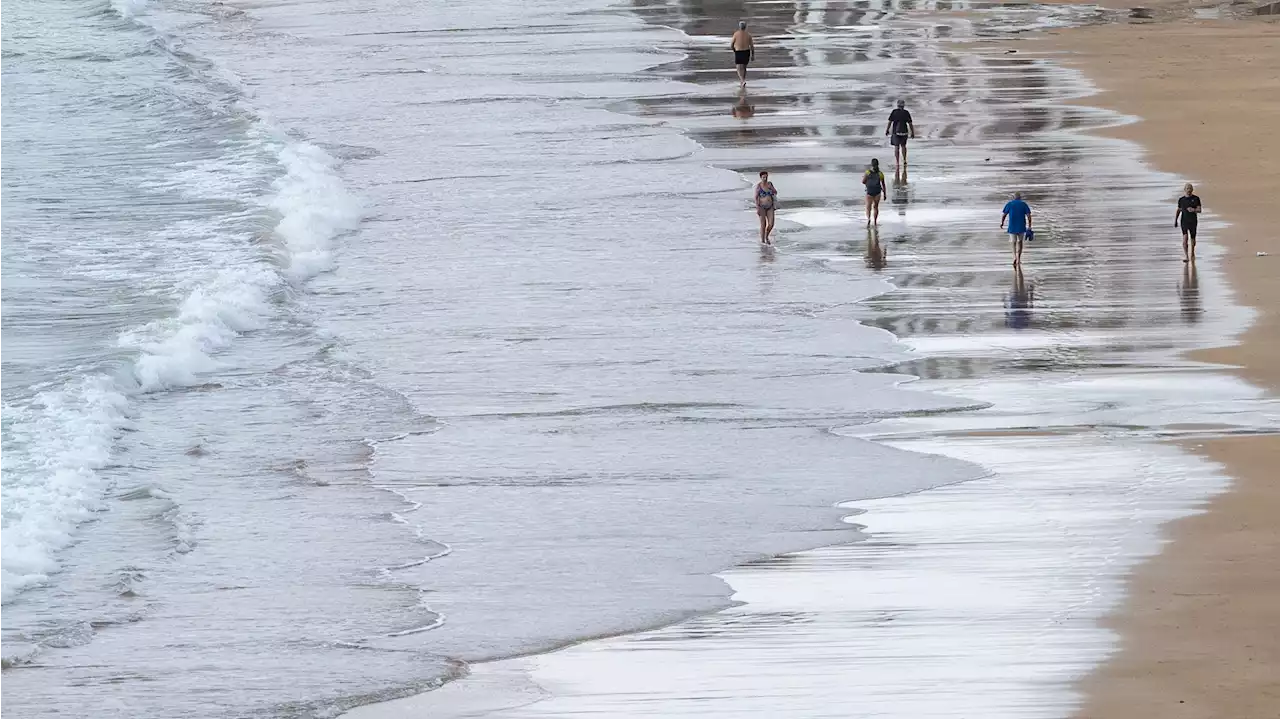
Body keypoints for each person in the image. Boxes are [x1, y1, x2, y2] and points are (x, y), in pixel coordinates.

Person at [1000, 191, 1032, 266]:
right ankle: (1019, 258)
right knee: (1020, 242)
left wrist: (1002, 223)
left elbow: (1004, 215)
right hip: (1021, 226)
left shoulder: (1010, 204)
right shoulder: (1023, 204)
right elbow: (1029, 216)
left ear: (1013, 197)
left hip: (1012, 226)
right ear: (1020, 198)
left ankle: (1014, 257)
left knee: (1013, 243)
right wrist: (1030, 225)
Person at [1175, 182, 1202, 262]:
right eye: (1187, 188)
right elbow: (1179, 210)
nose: (1189, 190)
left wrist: (1193, 210)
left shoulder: (1196, 198)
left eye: (1190, 188)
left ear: (1192, 189)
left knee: (1193, 239)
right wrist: (1175, 220)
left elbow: (1199, 210)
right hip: (1184, 221)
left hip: (1193, 221)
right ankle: (1186, 256)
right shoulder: (1181, 200)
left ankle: (1192, 252)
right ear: (1184, 190)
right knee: (1185, 239)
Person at [885, 100, 915, 167]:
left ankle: (897, 162)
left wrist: (887, 130)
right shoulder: (906, 113)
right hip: (904, 132)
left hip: (896, 132)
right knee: (903, 146)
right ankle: (904, 160)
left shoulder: (894, 112)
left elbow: (890, 122)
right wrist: (912, 132)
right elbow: (910, 124)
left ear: (897, 105)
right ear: (903, 105)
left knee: (896, 147)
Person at [755, 170, 777, 245]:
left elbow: (775, 192)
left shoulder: (770, 184)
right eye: (763, 177)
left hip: (770, 206)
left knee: (771, 224)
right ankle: (763, 241)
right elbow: (756, 197)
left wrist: (772, 188)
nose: (765, 178)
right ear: (761, 178)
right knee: (763, 224)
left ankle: (767, 236)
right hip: (762, 207)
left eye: (766, 177)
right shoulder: (759, 186)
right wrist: (757, 208)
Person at [862, 159, 886, 226]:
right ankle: (875, 221)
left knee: (868, 207)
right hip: (877, 192)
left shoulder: (867, 172)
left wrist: (868, 183)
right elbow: (883, 184)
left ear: (871, 165)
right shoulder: (880, 173)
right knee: (876, 207)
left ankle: (869, 219)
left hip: (869, 191)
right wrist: (885, 194)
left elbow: (863, 181)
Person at [730, 22, 754, 87]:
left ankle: (742, 80)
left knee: (738, 67)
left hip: (739, 51)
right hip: (746, 52)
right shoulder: (748, 35)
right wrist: (753, 55)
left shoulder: (736, 34)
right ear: (745, 27)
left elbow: (731, 44)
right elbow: (752, 46)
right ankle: (743, 80)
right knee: (744, 67)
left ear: (739, 27)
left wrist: (734, 50)